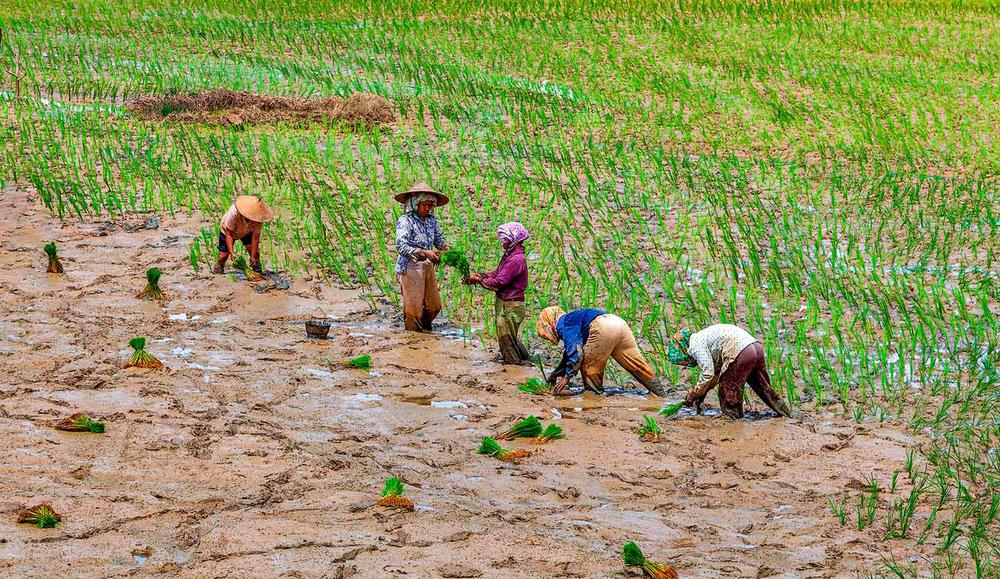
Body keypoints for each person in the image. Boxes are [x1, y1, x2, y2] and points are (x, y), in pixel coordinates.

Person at [668, 324, 792, 419]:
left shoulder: (694, 345)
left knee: (728, 392)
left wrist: (693, 394)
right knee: (764, 387)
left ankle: (733, 421)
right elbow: (715, 375)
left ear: (684, 350)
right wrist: (702, 393)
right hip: (754, 347)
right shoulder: (704, 337)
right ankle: (786, 415)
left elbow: (708, 374)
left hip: (740, 351)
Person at [536, 306, 665, 396]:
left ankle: (593, 396)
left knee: (588, 366)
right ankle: (659, 394)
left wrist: (566, 378)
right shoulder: (573, 318)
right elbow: (568, 356)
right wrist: (555, 374)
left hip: (602, 327)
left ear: (549, 323)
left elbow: (576, 351)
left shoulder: (563, 323)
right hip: (618, 323)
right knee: (637, 365)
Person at [468, 222, 531, 365]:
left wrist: (478, 280)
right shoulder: (510, 255)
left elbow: (499, 282)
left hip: (510, 304)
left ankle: (513, 366)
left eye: (505, 240)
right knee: (510, 336)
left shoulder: (515, 260)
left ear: (513, 239)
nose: (503, 243)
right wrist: (481, 275)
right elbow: (497, 273)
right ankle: (525, 362)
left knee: (506, 339)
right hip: (507, 302)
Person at [394, 182, 449, 332]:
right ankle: (414, 339)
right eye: (424, 205)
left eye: (430, 205)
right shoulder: (405, 221)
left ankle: (424, 331)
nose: (427, 208)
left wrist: (447, 250)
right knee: (414, 309)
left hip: (427, 266)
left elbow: (440, 240)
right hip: (410, 266)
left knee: (433, 306)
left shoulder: (431, 221)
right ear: (415, 203)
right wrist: (424, 252)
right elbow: (401, 247)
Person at [213, 195, 274, 274]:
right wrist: (231, 252)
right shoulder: (234, 212)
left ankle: (257, 270)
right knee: (223, 256)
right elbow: (229, 234)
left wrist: (252, 256)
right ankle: (218, 270)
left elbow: (255, 237)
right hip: (229, 231)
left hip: (247, 231)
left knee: (255, 255)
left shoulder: (258, 218)